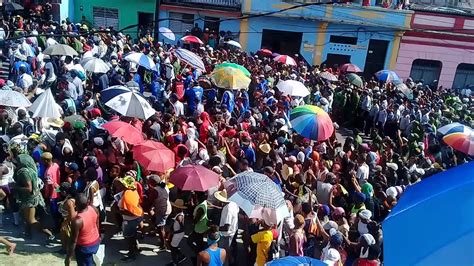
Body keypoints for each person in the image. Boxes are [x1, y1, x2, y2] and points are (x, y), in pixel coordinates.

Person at [12, 154, 55, 242]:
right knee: (26, 218)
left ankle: (49, 235)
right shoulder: (32, 169)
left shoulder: (24, 172)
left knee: (31, 220)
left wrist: (15, 187)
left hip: (29, 200)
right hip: (35, 197)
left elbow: (29, 188)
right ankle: (27, 233)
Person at [66, 193, 100, 266]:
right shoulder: (93, 208)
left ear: (76, 205)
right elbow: (97, 225)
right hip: (96, 241)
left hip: (85, 247)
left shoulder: (77, 221)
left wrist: (68, 257)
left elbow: (73, 241)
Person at [118, 176, 144, 262]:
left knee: (129, 238)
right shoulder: (133, 191)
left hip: (129, 221)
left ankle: (131, 255)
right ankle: (136, 248)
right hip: (135, 218)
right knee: (133, 236)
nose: (121, 185)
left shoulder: (127, 195)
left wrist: (120, 212)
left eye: (123, 184)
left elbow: (131, 212)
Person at [215, 189, 239, 265]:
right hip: (233, 231)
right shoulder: (233, 203)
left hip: (226, 235)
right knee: (228, 251)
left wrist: (216, 228)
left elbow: (226, 227)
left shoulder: (227, 209)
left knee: (223, 253)